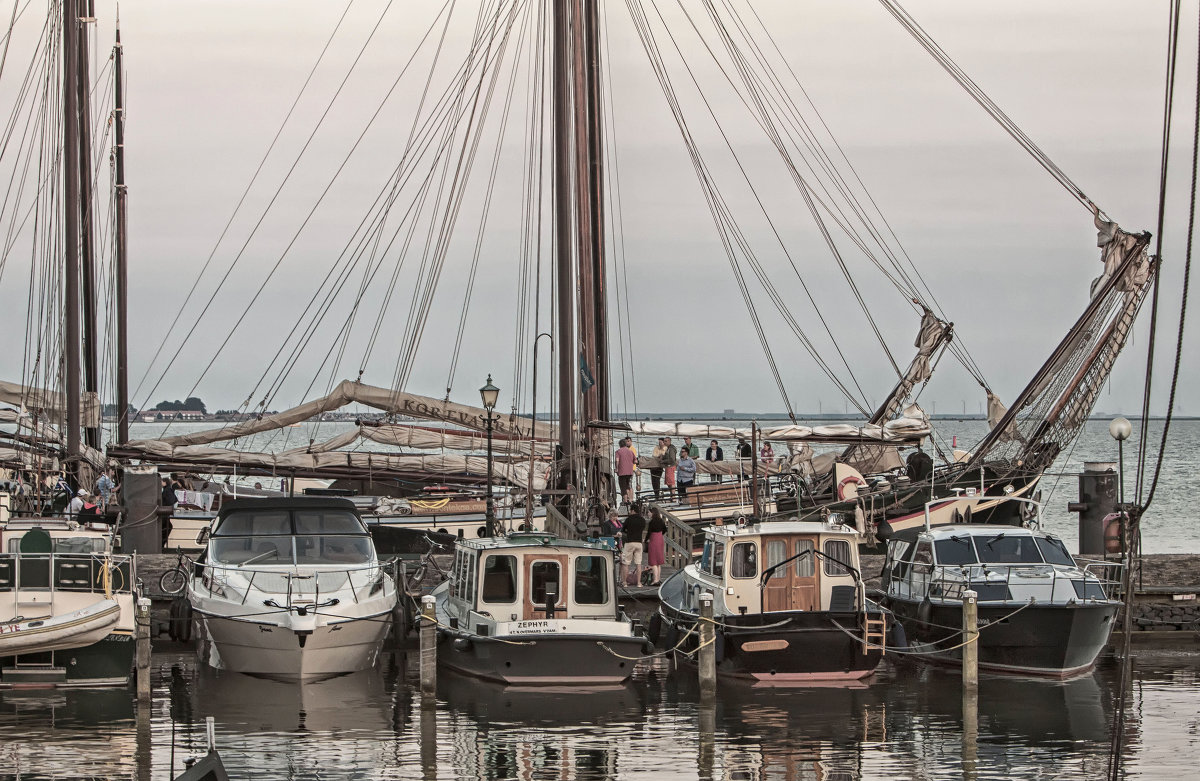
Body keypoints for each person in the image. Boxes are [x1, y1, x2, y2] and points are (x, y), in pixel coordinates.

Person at [620, 503, 647, 587]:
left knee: (626, 563)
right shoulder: (642, 520)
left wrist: (628, 532)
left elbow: (623, 529)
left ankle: (624, 582)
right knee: (638, 564)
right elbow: (642, 528)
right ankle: (639, 583)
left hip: (629, 542)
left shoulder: (629, 519)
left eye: (630, 511)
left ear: (632, 510)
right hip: (639, 543)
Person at [645, 507, 667, 585]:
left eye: (649, 512)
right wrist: (660, 534)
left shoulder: (652, 522)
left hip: (654, 539)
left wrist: (645, 540)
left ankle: (655, 580)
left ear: (653, 513)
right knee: (658, 561)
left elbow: (649, 532)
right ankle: (658, 578)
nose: (648, 514)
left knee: (653, 561)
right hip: (660, 538)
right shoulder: (661, 520)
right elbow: (665, 529)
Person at [615, 438, 638, 504]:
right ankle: (630, 499)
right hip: (630, 472)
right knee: (629, 485)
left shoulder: (618, 452)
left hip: (622, 472)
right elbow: (635, 461)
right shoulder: (630, 451)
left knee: (623, 486)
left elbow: (617, 460)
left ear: (620, 445)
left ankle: (625, 500)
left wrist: (616, 468)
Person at [661, 437, 678, 501]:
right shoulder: (667, 448)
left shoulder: (671, 449)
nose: (664, 442)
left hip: (670, 466)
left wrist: (663, 461)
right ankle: (672, 495)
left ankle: (673, 497)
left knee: (671, 482)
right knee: (668, 482)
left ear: (669, 441)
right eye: (664, 441)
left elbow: (672, 459)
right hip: (668, 467)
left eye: (665, 441)